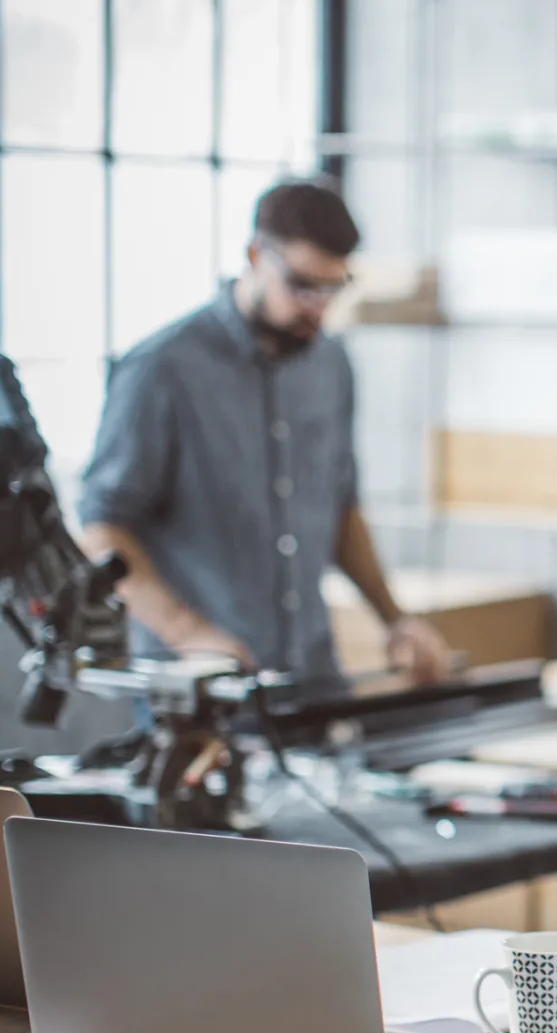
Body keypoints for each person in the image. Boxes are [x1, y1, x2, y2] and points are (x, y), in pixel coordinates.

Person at [79, 179, 451, 691]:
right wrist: (189, 634)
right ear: (256, 255)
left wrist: (395, 619)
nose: (316, 307)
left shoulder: (330, 364)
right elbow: (103, 526)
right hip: (204, 691)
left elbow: (342, 509)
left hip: (312, 677)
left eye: (332, 288)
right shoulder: (162, 370)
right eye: (301, 285)